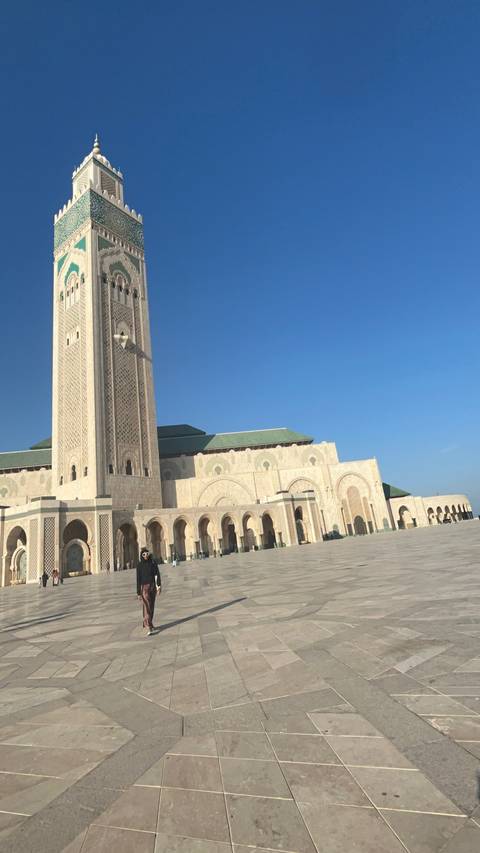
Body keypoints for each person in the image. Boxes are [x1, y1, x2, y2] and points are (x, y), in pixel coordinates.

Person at [136, 548, 161, 635]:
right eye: (143, 554)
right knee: (146, 606)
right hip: (144, 588)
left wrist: (159, 587)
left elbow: (157, 574)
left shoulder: (153, 563)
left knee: (151, 606)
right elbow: (138, 579)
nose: (145, 556)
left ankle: (149, 622)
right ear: (141, 555)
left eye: (146, 554)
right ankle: (149, 626)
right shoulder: (139, 565)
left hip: (152, 587)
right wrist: (138, 592)